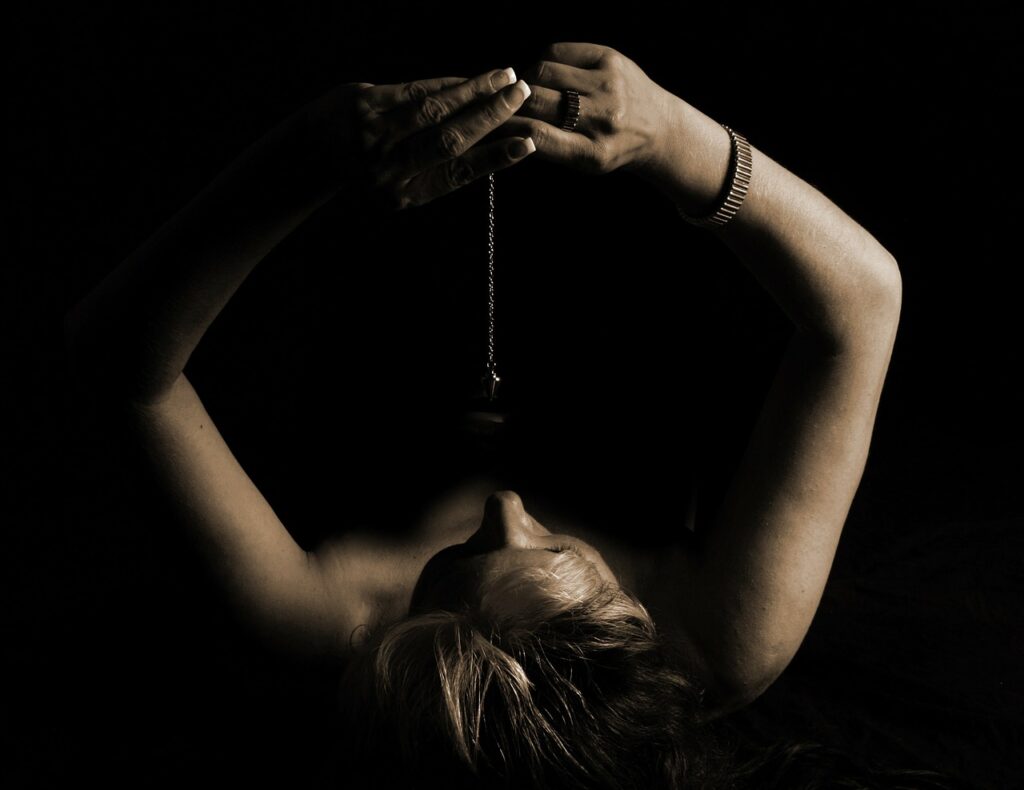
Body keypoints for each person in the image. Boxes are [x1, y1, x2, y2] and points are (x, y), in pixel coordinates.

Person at [64, 42, 902, 789]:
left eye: (457, 561)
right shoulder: (717, 638)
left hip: (343, 210)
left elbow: (121, 371)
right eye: (557, 550)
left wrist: (308, 154)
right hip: (632, 218)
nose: (506, 507)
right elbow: (863, 305)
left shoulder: (323, 618)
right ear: (632, 625)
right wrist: (679, 141)